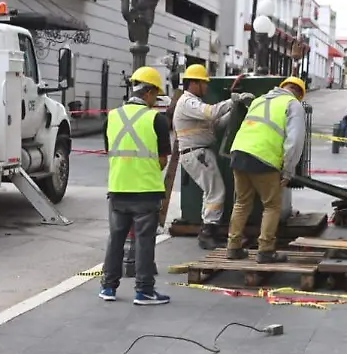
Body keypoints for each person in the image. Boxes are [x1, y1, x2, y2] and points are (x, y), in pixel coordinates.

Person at [100, 66, 172, 306]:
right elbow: (163, 159)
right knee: (144, 240)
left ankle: (108, 287)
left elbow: (110, 149)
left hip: (118, 187)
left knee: (116, 239)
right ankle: (144, 291)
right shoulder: (156, 119)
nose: (155, 100)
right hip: (145, 191)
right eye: (156, 95)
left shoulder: (112, 116)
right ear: (149, 92)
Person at [224, 76, 307, 263]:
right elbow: (294, 141)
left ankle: (233, 246)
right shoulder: (293, 104)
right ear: (299, 93)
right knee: (271, 205)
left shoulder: (259, 100)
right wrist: (288, 169)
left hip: (239, 152)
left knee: (242, 202)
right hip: (264, 157)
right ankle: (266, 250)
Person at [172, 64, 253, 250]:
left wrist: (235, 110)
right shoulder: (187, 102)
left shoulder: (192, 103)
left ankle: (209, 230)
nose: (207, 87)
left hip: (199, 153)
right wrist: (233, 101)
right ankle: (208, 233)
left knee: (212, 192)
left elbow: (216, 124)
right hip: (197, 153)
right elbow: (212, 112)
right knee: (216, 192)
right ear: (194, 83)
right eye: (204, 83)